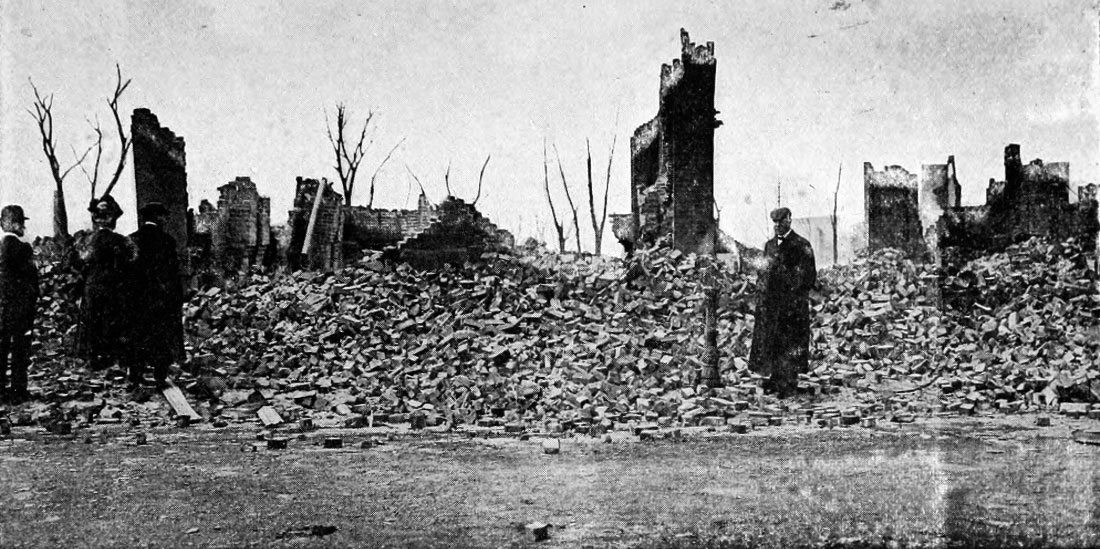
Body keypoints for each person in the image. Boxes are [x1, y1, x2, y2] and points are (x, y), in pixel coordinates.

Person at [749, 207, 817, 397]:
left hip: (792, 306)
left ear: (789, 220)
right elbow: (764, 272)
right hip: (772, 305)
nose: (778, 225)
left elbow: (809, 276)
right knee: (773, 341)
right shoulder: (769, 245)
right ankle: (775, 379)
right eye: (775, 222)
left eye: (781, 221)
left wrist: (791, 293)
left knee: (790, 342)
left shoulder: (802, 245)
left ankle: (789, 383)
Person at [75, 195, 136, 376]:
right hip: (114, 287)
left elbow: (80, 264)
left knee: (93, 322)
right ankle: (114, 360)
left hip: (92, 286)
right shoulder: (122, 241)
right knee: (113, 321)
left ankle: (93, 359)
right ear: (113, 220)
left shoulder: (86, 241)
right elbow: (131, 262)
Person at [128, 202, 184, 388]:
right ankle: (160, 376)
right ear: (157, 217)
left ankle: (135, 376)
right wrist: (176, 297)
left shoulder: (132, 240)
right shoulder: (167, 241)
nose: (165, 220)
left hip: (137, 299)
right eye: (163, 216)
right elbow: (173, 273)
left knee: (138, 336)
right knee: (161, 336)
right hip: (161, 298)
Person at [0, 205, 39, 403]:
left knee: (2, 348)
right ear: (15, 224)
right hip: (20, 308)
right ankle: (18, 391)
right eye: (21, 222)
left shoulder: (1, 247)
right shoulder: (22, 248)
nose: (23, 226)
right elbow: (31, 281)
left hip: (3, 307)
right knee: (20, 350)